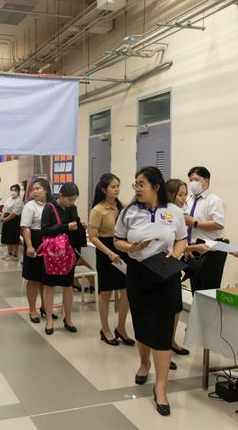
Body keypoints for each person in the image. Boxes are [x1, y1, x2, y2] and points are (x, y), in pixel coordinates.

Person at [114, 166, 187, 417]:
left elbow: (181, 238)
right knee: (143, 325)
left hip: (166, 274)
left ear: (156, 186)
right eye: (135, 184)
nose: (137, 189)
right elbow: (117, 240)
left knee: (164, 329)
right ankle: (144, 364)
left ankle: (161, 387)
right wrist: (131, 247)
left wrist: (176, 253)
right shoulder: (129, 212)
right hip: (138, 274)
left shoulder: (174, 212)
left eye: (141, 184)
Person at [165, 178, 211, 358]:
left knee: (176, 307)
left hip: (175, 265)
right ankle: (163, 349)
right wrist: (195, 248)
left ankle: (171, 342)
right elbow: (170, 244)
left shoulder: (178, 213)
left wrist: (186, 249)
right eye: (181, 195)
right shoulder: (166, 214)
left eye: (185, 194)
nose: (184, 199)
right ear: (170, 195)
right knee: (167, 309)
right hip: (165, 265)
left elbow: (180, 240)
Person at [88, 173, 136, 347]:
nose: (117, 189)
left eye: (118, 186)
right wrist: (109, 253)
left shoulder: (122, 206)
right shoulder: (98, 210)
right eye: (113, 187)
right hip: (105, 252)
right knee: (106, 293)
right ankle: (105, 329)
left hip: (122, 249)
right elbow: (93, 237)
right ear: (104, 189)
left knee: (126, 290)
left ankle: (121, 328)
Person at [40, 182, 84, 335]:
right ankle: (49, 319)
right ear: (61, 196)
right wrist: (66, 227)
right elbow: (45, 229)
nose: (72, 203)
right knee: (49, 286)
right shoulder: (49, 208)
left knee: (68, 286)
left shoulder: (72, 208)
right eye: (70, 200)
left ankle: (68, 318)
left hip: (68, 253)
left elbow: (75, 224)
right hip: (53, 253)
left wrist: (79, 225)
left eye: (74, 200)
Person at [183, 166, 227, 293]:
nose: (192, 183)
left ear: (206, 181)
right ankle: (199, 313)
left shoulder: (214, 200)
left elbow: (219, 223)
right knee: (196, 290)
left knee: (208, 290)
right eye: (190, 180)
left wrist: (196, 223)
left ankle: (209, 313)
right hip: (193, 248)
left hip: (211, 250)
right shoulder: (188, 199)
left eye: (196, 179)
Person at [20, 178, 57, 323]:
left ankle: (45, 307)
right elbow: (25, 227)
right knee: (33, 278)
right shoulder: (30, 206)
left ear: (46, 190)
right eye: (33, 189)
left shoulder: (51, 205)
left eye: (38, 189)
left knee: (46, 278)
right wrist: (29, 246)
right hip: (34, 241)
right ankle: (32, 309)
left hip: (49, 242)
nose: (34, 191)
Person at [0, 184, 24, 261]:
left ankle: (15, 255)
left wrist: (6, 219)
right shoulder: (9, 199)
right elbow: (5, 208)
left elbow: (15, 213)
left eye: (15, 190)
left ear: (18, 191)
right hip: (6, 219)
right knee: (7, 237)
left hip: (14, 220)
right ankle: (9, 253)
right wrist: (2, 216)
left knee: (13, 238)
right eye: (12, 190)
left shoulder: (19, 201)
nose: (13, 192)